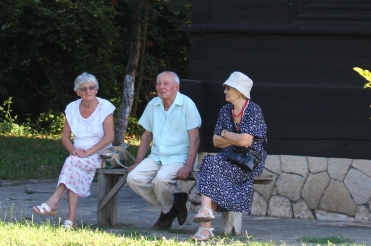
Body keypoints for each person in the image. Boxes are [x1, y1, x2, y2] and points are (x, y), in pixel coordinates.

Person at [191, 71, 267, 241]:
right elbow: (216, 142)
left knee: (212, 169)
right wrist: (235, 138)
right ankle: (206, 213)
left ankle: (205, 227)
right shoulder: (225, 110)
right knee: (210, 162)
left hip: (248, 162)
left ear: (239, 92)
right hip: (228, 158)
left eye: (228, 88)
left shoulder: (253, 110)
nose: (224, 91)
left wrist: (225, 133)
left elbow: (246, 141)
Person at [32, 72, 114, 229]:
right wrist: (73, 150)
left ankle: (55, 202)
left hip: (101, 152)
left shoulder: (105, 107)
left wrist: (89, 152)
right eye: (84, 88)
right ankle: (71, 219)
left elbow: (110, 137)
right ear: (78, 91)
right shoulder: (71, 108)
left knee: (72, 163)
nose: (88, 91)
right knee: (73, 162)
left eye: (91, 87)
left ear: (96, 90)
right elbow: (65, 138)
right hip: (78, 153)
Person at [127, 71, 201, 230]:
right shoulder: (153, 104)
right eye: (158, 83)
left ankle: (167, 211)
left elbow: (195, 138)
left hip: (179, 157)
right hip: (157, 156)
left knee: (160, 180)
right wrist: (138, 163)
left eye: (166, 83)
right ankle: (171, 206)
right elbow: (147, 136)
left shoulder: (187, 104)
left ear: (176, 87)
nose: (161, 87)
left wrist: (188, 166)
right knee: (133, 178)